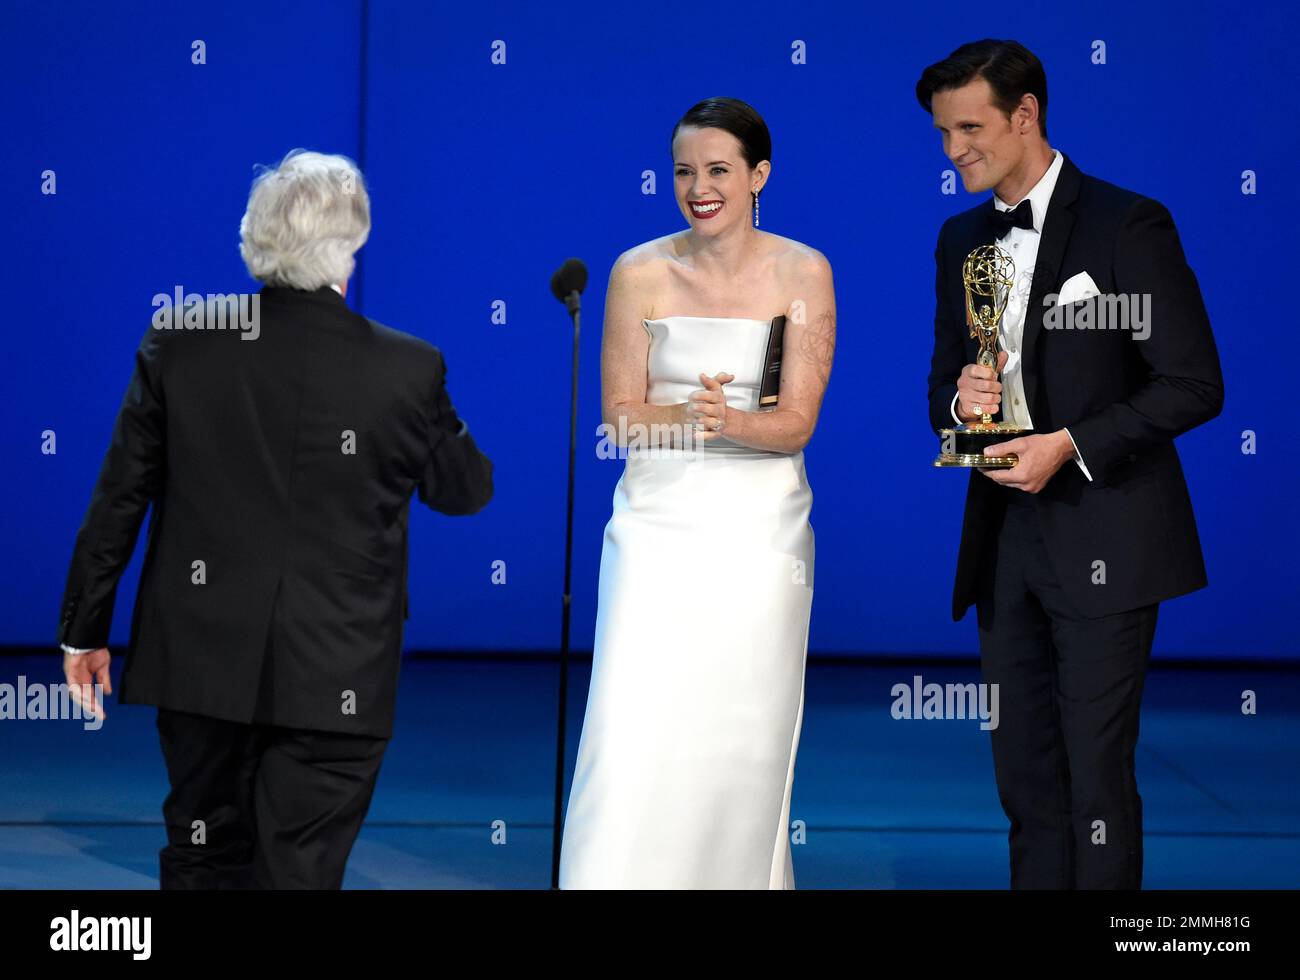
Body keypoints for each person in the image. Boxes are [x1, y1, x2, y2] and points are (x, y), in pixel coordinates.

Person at [57, 149, 494, 888]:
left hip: (199, 662)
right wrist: (430, 412)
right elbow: (464, 491)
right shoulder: (408, 367)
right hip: (338, 671)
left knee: (201, 856)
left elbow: (119, 496)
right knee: (299, 871)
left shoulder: (180, 340)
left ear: (253, 239)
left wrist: (83, 629)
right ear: (351, 246)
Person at [918, 40, 1223, 888]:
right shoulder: (959, 240)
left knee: (1094, 779)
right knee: (1024, 781)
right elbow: (943, 379)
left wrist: (1071, 445)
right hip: (1003, 547)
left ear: (1027, 115)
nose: (953, 151)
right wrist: (961, 404)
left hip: (1108, 539)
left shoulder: (1127, 223)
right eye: (942, 133)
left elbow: (1195, 384)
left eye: (969, 128)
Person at [558, 98, 835, 888]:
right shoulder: (639, 271)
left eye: (718, 170)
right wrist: (686, 419)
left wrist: (733, 423)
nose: (699, 186)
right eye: (684, 170)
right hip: (656, 525)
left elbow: (798, 424)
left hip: (762, 532)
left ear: (759, 176)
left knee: (741, 730)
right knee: (634, 722)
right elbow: (618, 420)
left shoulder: (802, 271)